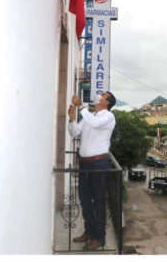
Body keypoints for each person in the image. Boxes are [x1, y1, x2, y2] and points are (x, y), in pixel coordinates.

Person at [67, 92, 117, 251]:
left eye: (103, 94)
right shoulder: (91, 116)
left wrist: (80, 106)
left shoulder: (108, 117)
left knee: (98, 201)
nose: (98, 95)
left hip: (98, 164)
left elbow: (95, 124)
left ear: (107, 102)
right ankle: (89, 231)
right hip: (86, 165)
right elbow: (74, 132)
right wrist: (71, 119)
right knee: (84, 199)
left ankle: (99, 238)